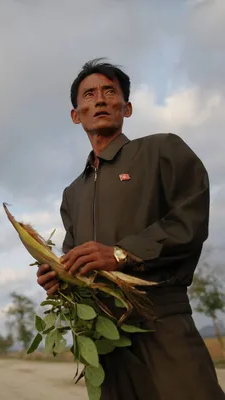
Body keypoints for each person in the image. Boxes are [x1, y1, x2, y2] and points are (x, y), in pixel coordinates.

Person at [36, 58, 225, 399]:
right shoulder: (72, 193)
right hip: (105, 338)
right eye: (89, 93)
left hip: (162, 322)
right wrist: (59, 279)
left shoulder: (162, 151)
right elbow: (76, 260)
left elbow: (190, 220)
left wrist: (121, 254)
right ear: (76, 114)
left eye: (111, 91)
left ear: (127, 107)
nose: (101, 99)